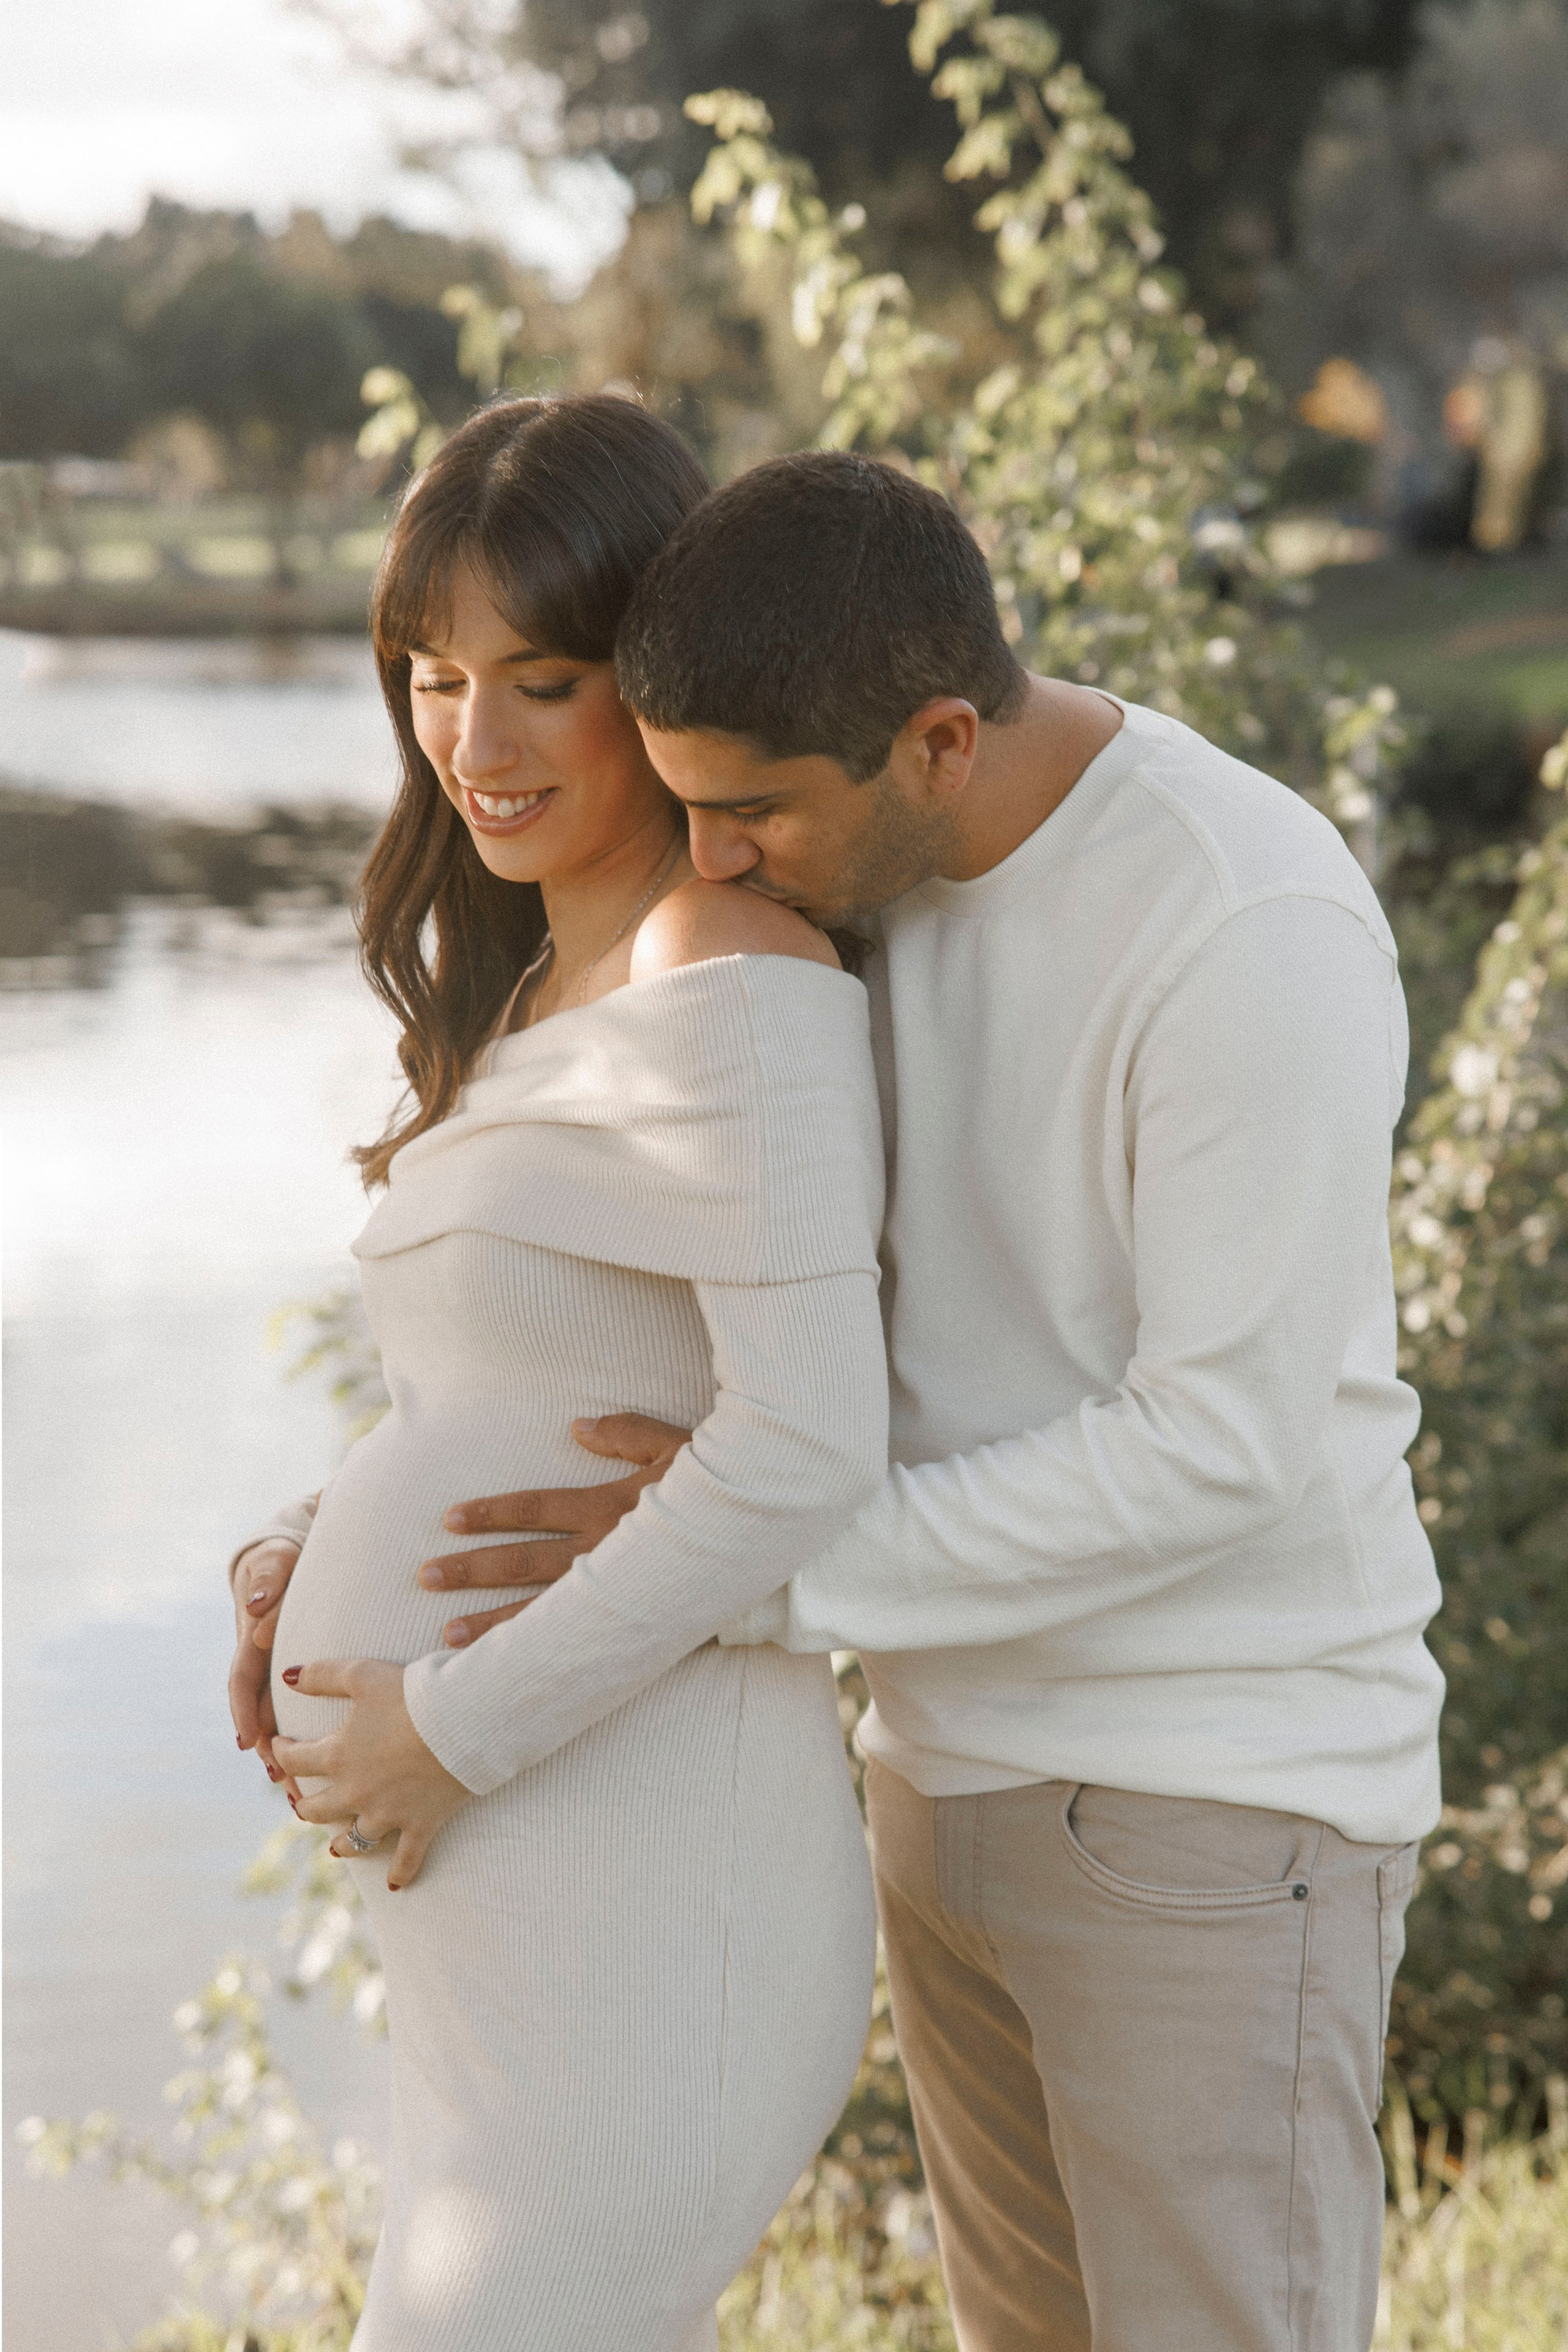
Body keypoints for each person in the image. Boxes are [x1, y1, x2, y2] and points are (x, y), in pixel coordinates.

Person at [246, 448, 1442, 2352]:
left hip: (1205, 1798)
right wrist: (332, 1542)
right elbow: (667, 1329)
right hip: (940, 1769)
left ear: (941, 740)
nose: (712, 860)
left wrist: (740, 1583)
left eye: (751, 816)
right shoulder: (856, 851)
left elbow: (1226, 1442)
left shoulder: (1241, 921)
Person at [227, 399, 889, 2352]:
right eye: (434, 680)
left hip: (651, 1889)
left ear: (660, 680)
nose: (475, 742)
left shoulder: (734, 964)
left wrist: (452, 1727)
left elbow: (803, 1441)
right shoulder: (528, 987)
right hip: (517, 1934)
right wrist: (301, 1553)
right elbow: (511, 1391)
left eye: (541, 680)